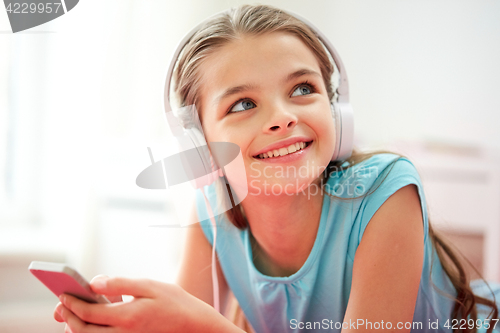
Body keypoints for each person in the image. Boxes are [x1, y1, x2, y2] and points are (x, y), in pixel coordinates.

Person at [54, 4, 500, 333]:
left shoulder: (385, 190)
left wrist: (207, 326)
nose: (283, 116)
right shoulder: (212, 210)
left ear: (336, 109)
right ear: (202, 145)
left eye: (303, 88)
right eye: (243, 103)